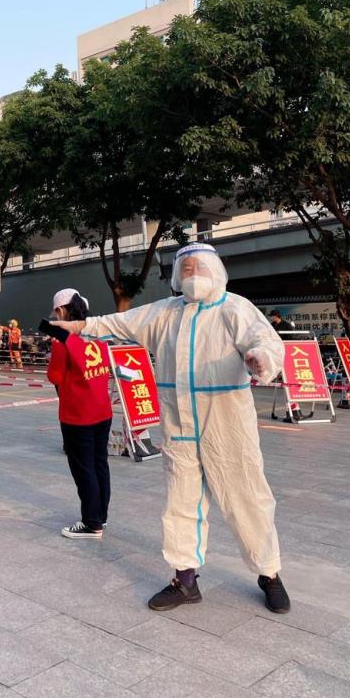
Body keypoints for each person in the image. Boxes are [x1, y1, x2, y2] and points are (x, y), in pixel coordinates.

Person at [54, 243, 290, 614]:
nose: (192, 274)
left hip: (227, 426)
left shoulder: (234, 308)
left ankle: (269, 573)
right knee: (181, 503)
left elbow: (266, 343)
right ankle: (185, 580)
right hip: (179, 427)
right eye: (186, 268)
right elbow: (118, 323)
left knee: (247, 498)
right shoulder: (165, 312)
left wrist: (261, 360)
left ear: (215, 270)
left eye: (199, 267)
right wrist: (81, 326)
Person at [42, 289, 112, 540]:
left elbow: (55, 376)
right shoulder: (98, 332)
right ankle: (100, 516)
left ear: (61, 311)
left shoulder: (63, 339)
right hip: (102, 409)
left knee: (84, 468)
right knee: (100, 463)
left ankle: (91, 523)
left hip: (78, 414)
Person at [269, 309, 302, 423]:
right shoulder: (272, 325)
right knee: (285, 384)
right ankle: (293, 410)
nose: (272, 318)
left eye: (273, 316)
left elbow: (290, 338)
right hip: (276, 351)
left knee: (288, 383)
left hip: (286, 350)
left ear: (277, 316)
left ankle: (293, 410)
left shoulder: (286, 325)